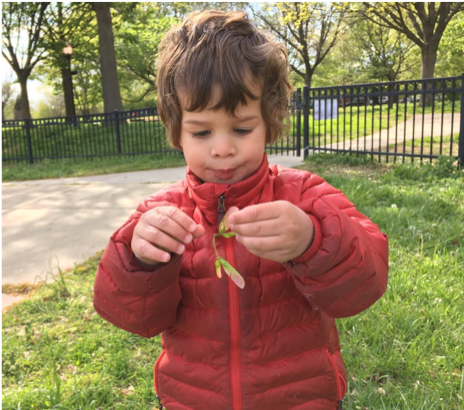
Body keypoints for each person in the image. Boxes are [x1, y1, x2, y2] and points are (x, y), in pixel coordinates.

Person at [93, 10, 388, 410]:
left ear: (270, 121)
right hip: (193, 398)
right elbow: (136, 318)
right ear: (176, 129)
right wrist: (139, 257)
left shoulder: (304, 195)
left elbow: (363, 286)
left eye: (242, 129)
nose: (222, 148)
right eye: (201, 132)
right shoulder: (160, 213)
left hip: (299, 396)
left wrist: (312, 239)